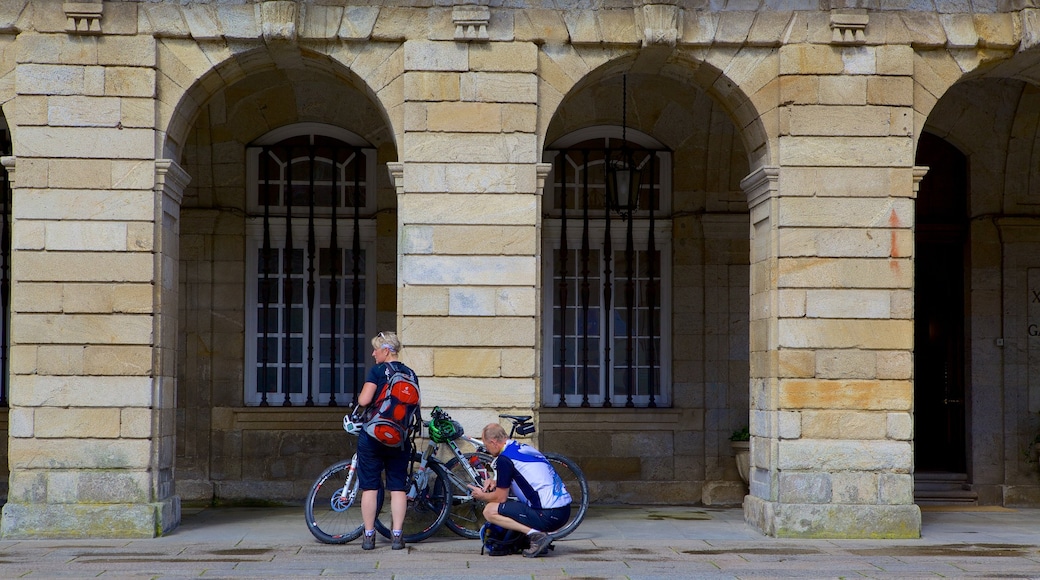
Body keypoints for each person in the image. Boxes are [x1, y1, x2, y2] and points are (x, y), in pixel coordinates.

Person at [468, 423, 572, 558]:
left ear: (493, 442)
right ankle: (535, 537)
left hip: (547, 515)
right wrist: (495, 482)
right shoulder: (521, 448)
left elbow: (500, 498)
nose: (486, 449)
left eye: (486, 445)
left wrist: (481, 496)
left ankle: (537, 536)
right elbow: (523, 476)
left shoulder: (504, 459)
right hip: (563, 512)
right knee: (514, 505)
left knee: (490, 510)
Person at [357, 331, 417, 551]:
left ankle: (369, 536)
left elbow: (364, 400)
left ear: (386, 350)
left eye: (376, 349)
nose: (373, 354)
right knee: (398, 488)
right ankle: (398, 536)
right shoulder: (410, 373)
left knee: (370, 487)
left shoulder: (378, 371)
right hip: (399, 438)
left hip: (373, 437)